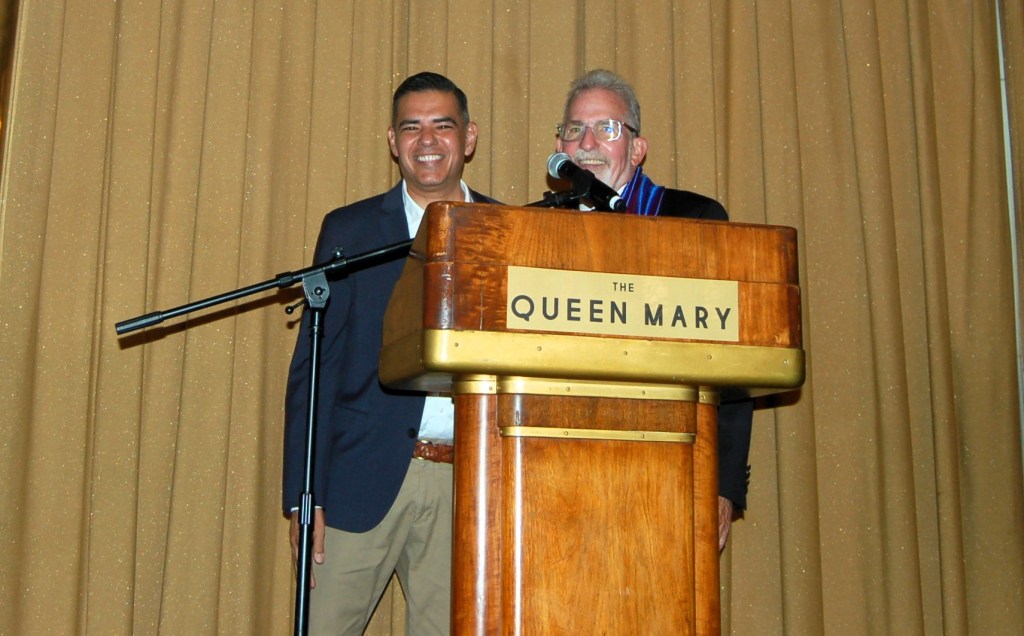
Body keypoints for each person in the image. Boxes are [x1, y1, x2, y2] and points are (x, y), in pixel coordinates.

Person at [282, 71, 497, 635]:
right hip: (358, 481)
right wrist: (305, 495)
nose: (427, 141)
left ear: (469, 137)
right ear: (392, 141)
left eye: (442, 126)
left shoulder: (508, 229)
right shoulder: (350, 231)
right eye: (411, 127)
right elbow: (315, 371)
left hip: (470, 487)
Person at [554, 69, 754, 549]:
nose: (587, 143)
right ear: (560, 146)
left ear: (637, 148)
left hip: (671, 467)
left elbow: (730, 362)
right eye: (575, 129)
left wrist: (723, 484)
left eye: (606, 128)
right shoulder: (530, 230)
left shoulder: (695, 220)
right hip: (555, 466)